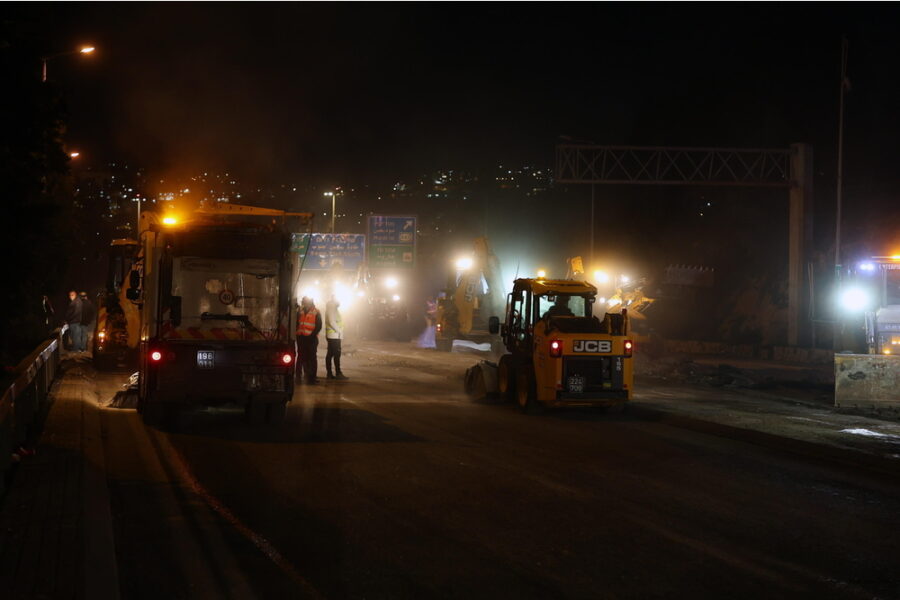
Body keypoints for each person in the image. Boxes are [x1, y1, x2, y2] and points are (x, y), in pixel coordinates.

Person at [296, 296, 322, 384]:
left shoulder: (316, 312)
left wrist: (312, 336)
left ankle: (312, 378)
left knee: (312, 358)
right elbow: (296, 323)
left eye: (305, 303)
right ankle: (299, 376)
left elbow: (319, 326)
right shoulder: (300, 311)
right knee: (301, 357)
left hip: (311, 339)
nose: (304, 304)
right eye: (303, 303)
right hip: (301, 337)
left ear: (310, 303)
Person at [325, 295, 348, 380]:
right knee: (336, 355)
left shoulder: (333, 308)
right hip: (334, 335)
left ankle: (330, 374)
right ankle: (338, 373)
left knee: (331, 354)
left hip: (333, 335)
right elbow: (332, 321)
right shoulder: (332, 308)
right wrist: (339, 331)